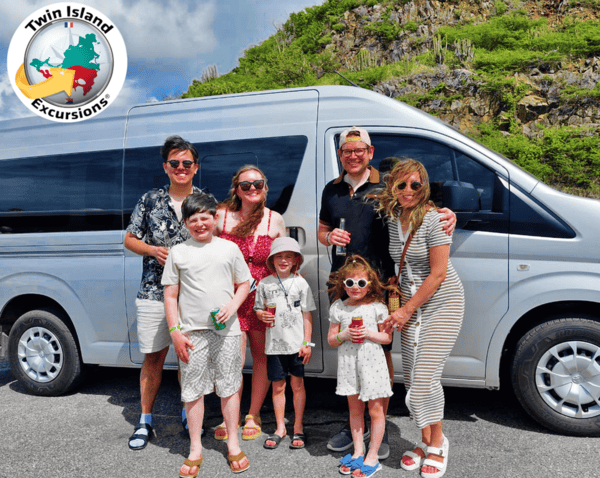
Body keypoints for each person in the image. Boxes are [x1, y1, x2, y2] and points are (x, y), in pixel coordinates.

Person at [318, 127, 456, 458]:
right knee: (349, 347)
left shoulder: (388, 185)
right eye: (346, 151)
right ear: (340, 155)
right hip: (343, 282)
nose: (352, 155)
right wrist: (326, 239)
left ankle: (381, 423)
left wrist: (449, 214)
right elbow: (323, 228)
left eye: (359, 150)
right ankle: (356, 423)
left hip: (381, 284)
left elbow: (419, 207)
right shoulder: (331, 189)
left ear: (370, 151)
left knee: (380, 352)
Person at [378, 159, 465, 478]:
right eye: (401, 185)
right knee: (414, 379)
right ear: (392, 187)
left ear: (424, 186)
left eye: (416, 185)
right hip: (410, 304)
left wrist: (405, 309)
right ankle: (425, 441)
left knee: (424, 380)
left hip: (441, 303)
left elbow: (439, 273)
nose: (408, 191)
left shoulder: (433, 219)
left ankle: (439, 443)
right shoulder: (392, 218)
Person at [162, 191, 251, 476]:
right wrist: (175, 331)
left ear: (215, 219)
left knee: (229, 385)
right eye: (193, 220)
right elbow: (170, 295)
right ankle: (195, 447)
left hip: (227, 331)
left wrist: (232, 307)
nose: (200, 224)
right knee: (192, 391)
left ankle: (233, 444)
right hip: (191, 333)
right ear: (185, 223)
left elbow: (244, 283)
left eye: (205, 218)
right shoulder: (178, 252)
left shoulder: (229, 248)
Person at [124, 135, 202, 450]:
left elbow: (216, 240)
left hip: (193, 295)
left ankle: (188, 413)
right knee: (153, 357)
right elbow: (130, 239)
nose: (180, 168)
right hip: (154, 292)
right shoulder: (150, 200)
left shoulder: (205, 200)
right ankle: (145, 420)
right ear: (165, 167)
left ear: (195, 167)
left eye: (186, 163)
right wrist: (152, 249)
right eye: (174, 163)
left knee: (189, 358)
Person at [214, 165, 286, 441]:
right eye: (246, 185)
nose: (253, 188)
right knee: (231, 359)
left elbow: (285, 259)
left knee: (261, 357)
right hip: (230, 297)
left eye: (258, 183)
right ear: (237, 189)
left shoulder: (274, 220)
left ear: (265, 187)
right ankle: (227, 415)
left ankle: (253, 415)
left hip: (262, 298)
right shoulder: (222, 216)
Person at [327, 255, 394, 478]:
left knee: (375, 410)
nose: (355, 287)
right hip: (349, 365)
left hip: (372, 364)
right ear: (343, 284)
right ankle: (358, 451)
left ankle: (372, 455)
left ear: (370, 285)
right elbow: (331, 340)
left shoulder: (377, 307)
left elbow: (386, 338)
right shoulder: (339, 307)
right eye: (350, 283)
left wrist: (369, 333)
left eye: (361, 283)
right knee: (355, 411)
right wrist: (344, 334)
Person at [254, 237, 316, 450]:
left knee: (297, 385)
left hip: (297, 345)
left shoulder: (300, 283)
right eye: (279, 256)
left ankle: (298, 426)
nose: (283, 260)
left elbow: (307, 314)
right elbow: (257, 309)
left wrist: (307, 342)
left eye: (288, 256)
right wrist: (262, 315)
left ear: (296, 260)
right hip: (274, 346)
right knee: (278, 387)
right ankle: (280, 427)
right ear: (272, 260)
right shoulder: (264, 283)